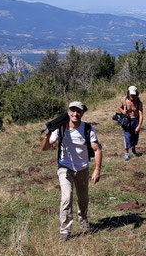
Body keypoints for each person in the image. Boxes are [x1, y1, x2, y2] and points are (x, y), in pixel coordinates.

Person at [41, 101, 102, 241]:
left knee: (83, 198)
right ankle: (65, 230)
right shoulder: (60, 128)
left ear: (82, 113)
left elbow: (97, 149)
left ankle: (83, 217)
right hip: (64, 167)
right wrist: (46, 136)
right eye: (72, 111)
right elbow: (45, 148)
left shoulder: (88, 129)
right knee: (66, 197)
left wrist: (97, 170)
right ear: (68, 112)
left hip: (82, 167)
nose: (75, 114)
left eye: (78, 111)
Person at [118, 85, 144, 161]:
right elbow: (119, 107)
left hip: (135, 120)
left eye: (134, 94)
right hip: (127, 121)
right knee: (127, 137)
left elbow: (141, 114)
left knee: (135, 137)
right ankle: (126, 154)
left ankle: (133, 150)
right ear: (128, 93)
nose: (133, 96)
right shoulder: (124, 100)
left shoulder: (139, 102)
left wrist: (139, 126)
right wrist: (123, 111)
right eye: (131, 94)